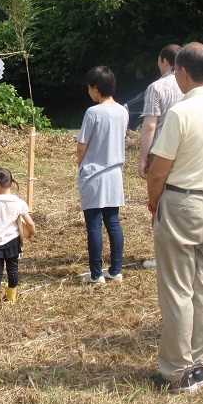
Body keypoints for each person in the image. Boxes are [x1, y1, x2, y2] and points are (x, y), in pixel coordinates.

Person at [146, 43, 203, 394]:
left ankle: (176, 371)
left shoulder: (181, 113)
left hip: (182, 202)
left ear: (182, 72)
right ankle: (200, 363)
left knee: (177, 289)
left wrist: (154, 202)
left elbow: (158, 172)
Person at [77, 66, 129, 284]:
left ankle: (96, 274)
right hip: (115, 173)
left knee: (94, 225)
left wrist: (81, 166)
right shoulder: (123, 111)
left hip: (94, 174)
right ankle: (115, 270)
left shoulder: (93, 112)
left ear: (96, 88)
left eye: (89, 87)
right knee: (113, 222)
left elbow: (82, 146)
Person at [0, 168, 35, 305]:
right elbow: (30, 222)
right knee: (13, 268)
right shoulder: (19, 203)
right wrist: (32, 233)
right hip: (13, 242)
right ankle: (11, 295)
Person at [139, 43, 184, 180]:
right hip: (185, 150)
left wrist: (142, 159)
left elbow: (150, 126)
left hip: (160, 152)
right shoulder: (189, 84)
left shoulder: (156, 88)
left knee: (158, 196)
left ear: (164, 61)